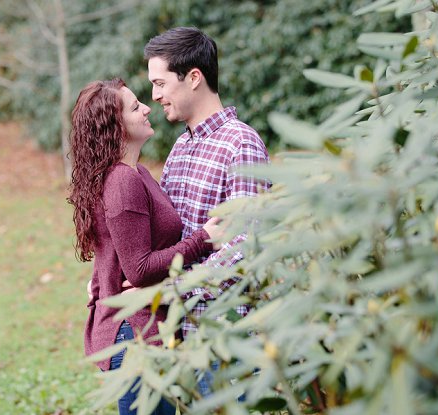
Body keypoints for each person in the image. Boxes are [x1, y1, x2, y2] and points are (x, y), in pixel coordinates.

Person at [68, 78, 225, 415]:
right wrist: (203, 239)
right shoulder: (123, 181)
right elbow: (138, 270)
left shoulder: (134, 172)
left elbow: (118, 254)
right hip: (137, 338)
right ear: (116, 125)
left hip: (148, 330)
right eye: (135, 106)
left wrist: (100, 284)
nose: (146, 108)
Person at [144, 26, 270, 396]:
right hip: (184, 336)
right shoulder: (180, 149)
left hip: (226, 336)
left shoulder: (241, 144)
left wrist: (174, 291)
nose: (155, 95)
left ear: (194, 78)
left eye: (161, 83)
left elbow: (247, 248)